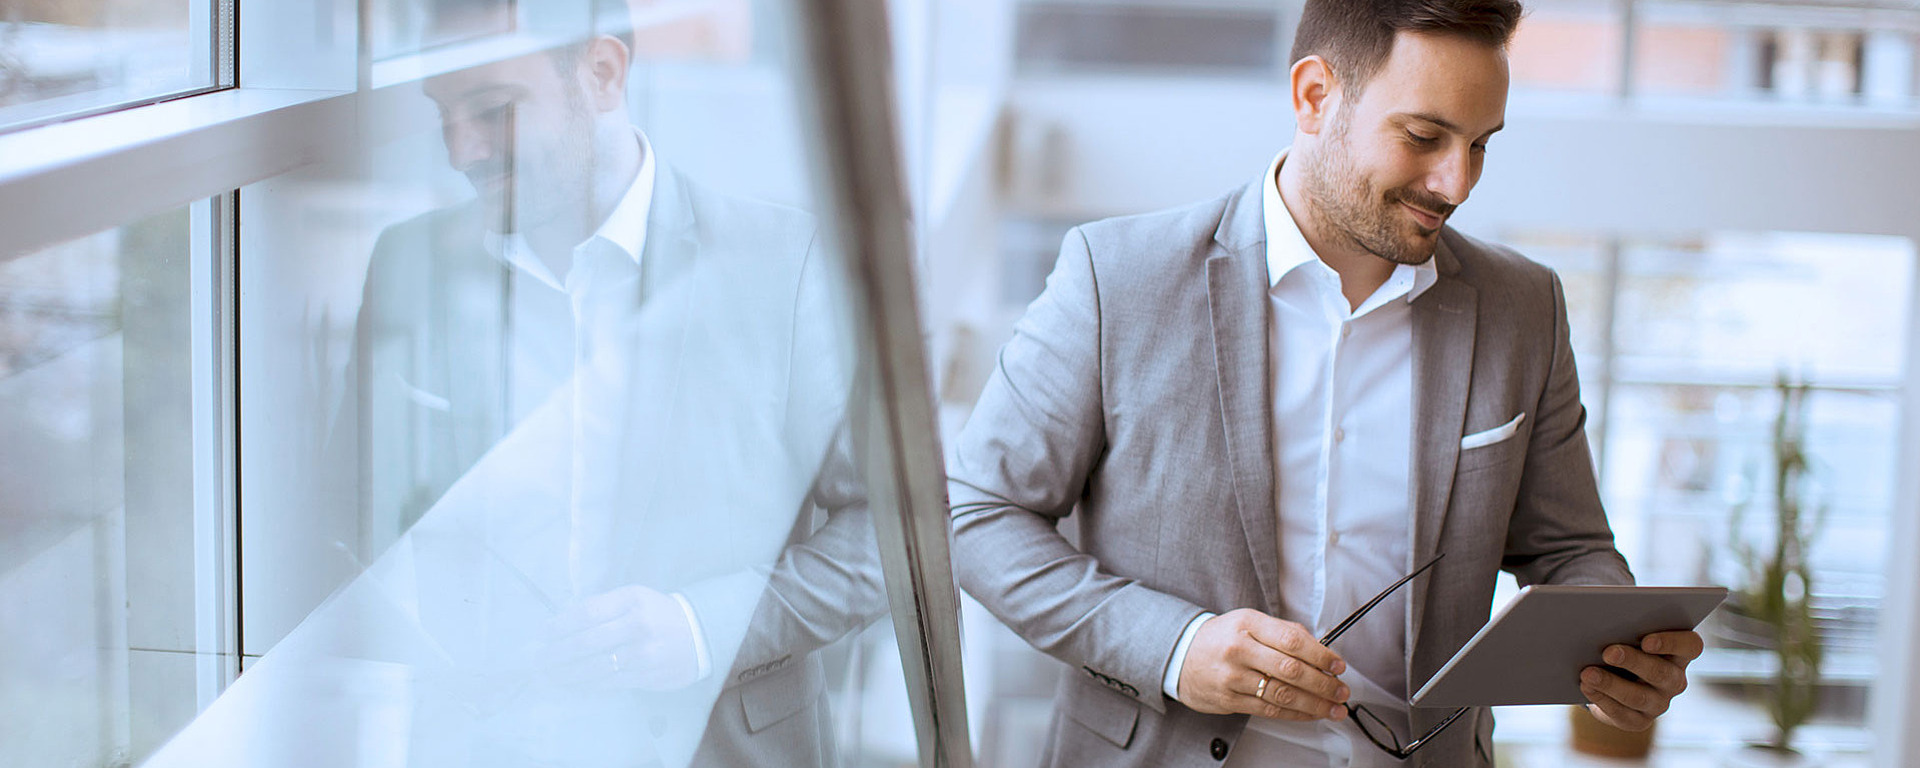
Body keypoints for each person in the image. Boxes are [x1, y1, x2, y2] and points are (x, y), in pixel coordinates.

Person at [947, 1, 1703, 765]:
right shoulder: (1119, 278)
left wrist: (1614, 645)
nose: (1457, 182)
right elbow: (975, 514)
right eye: (1423, 136)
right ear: (1314, 96)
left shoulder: (1524, 307)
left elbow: (1570, 547)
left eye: (1480, 145)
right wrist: (1175, 648)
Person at [348, 3, 885, 765]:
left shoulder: (787, 265)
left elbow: (892, 532)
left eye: (493, 111)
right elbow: (344, 526)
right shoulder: (407, 265)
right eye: (441, 112)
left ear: (602, 73)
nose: (459, 149)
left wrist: (705, 625)